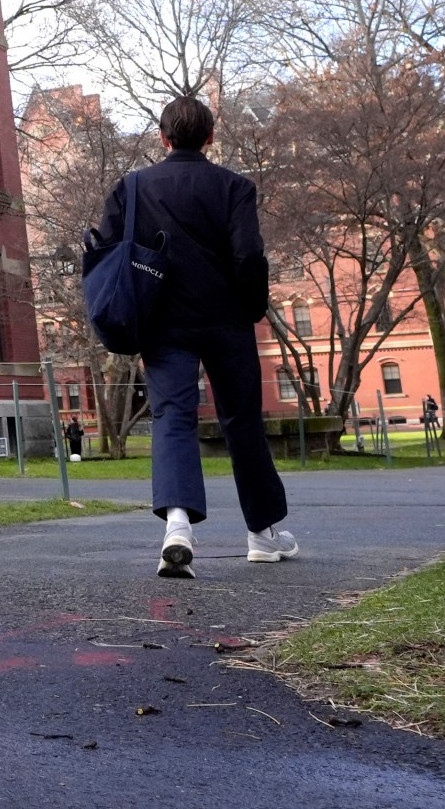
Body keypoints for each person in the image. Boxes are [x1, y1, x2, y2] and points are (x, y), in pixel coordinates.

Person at [82, 94, 297, 579]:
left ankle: (177, 527)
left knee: (172, 417)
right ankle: (262, 535)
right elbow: (249, 257)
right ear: (210, 137)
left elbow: (110, 250)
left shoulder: (131, 187)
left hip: (162, 322)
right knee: (242, 421)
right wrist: (251, 308)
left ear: (163, 137)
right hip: (227, 321)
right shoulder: (235, 187)